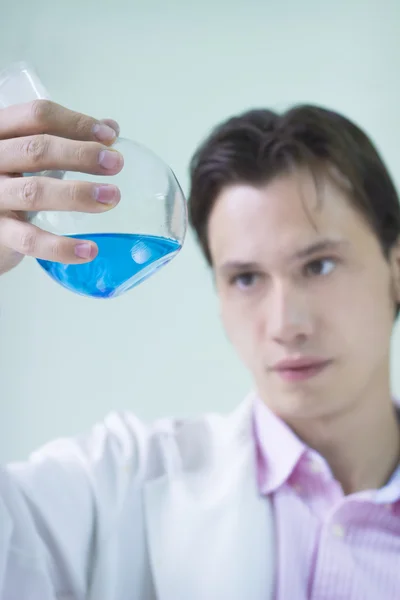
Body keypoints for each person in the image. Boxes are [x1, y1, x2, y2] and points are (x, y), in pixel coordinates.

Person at [0, 98, 399, 600]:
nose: (284, 325)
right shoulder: (121, 485)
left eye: (318, 266)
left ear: (397, 268)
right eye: (247, 277)